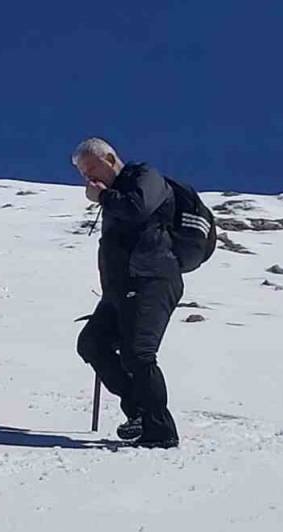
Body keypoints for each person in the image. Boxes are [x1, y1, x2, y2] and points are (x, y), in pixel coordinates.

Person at [73, 137, 184, 448]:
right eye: (83, 173)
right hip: (121, 288)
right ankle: (138, 412)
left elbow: (138, 208)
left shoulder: (144, 177)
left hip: (153, 278)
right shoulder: (116, 195)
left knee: (139, 354)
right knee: (92, 343)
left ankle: (159, 431)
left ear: (110, 159)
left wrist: (104, 196)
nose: (88, 178)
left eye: (91, 168)